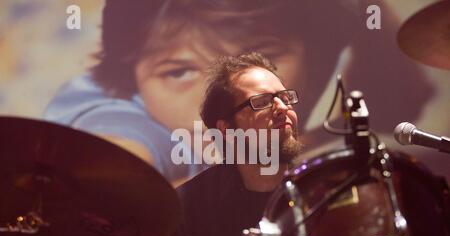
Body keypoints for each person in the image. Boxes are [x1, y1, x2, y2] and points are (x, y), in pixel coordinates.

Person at [43, 0, 362, 186]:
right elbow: (116, 167)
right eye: (179, 71)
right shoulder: (120, 116)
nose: (217, 94)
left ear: (317, 58)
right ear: (134, 80)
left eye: (255, 58)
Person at [106, 52, 303, 236]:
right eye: (263, 102)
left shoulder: (320, 195)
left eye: (285, 98)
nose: (283, 108)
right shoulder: (184, 208)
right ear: (227, 129)